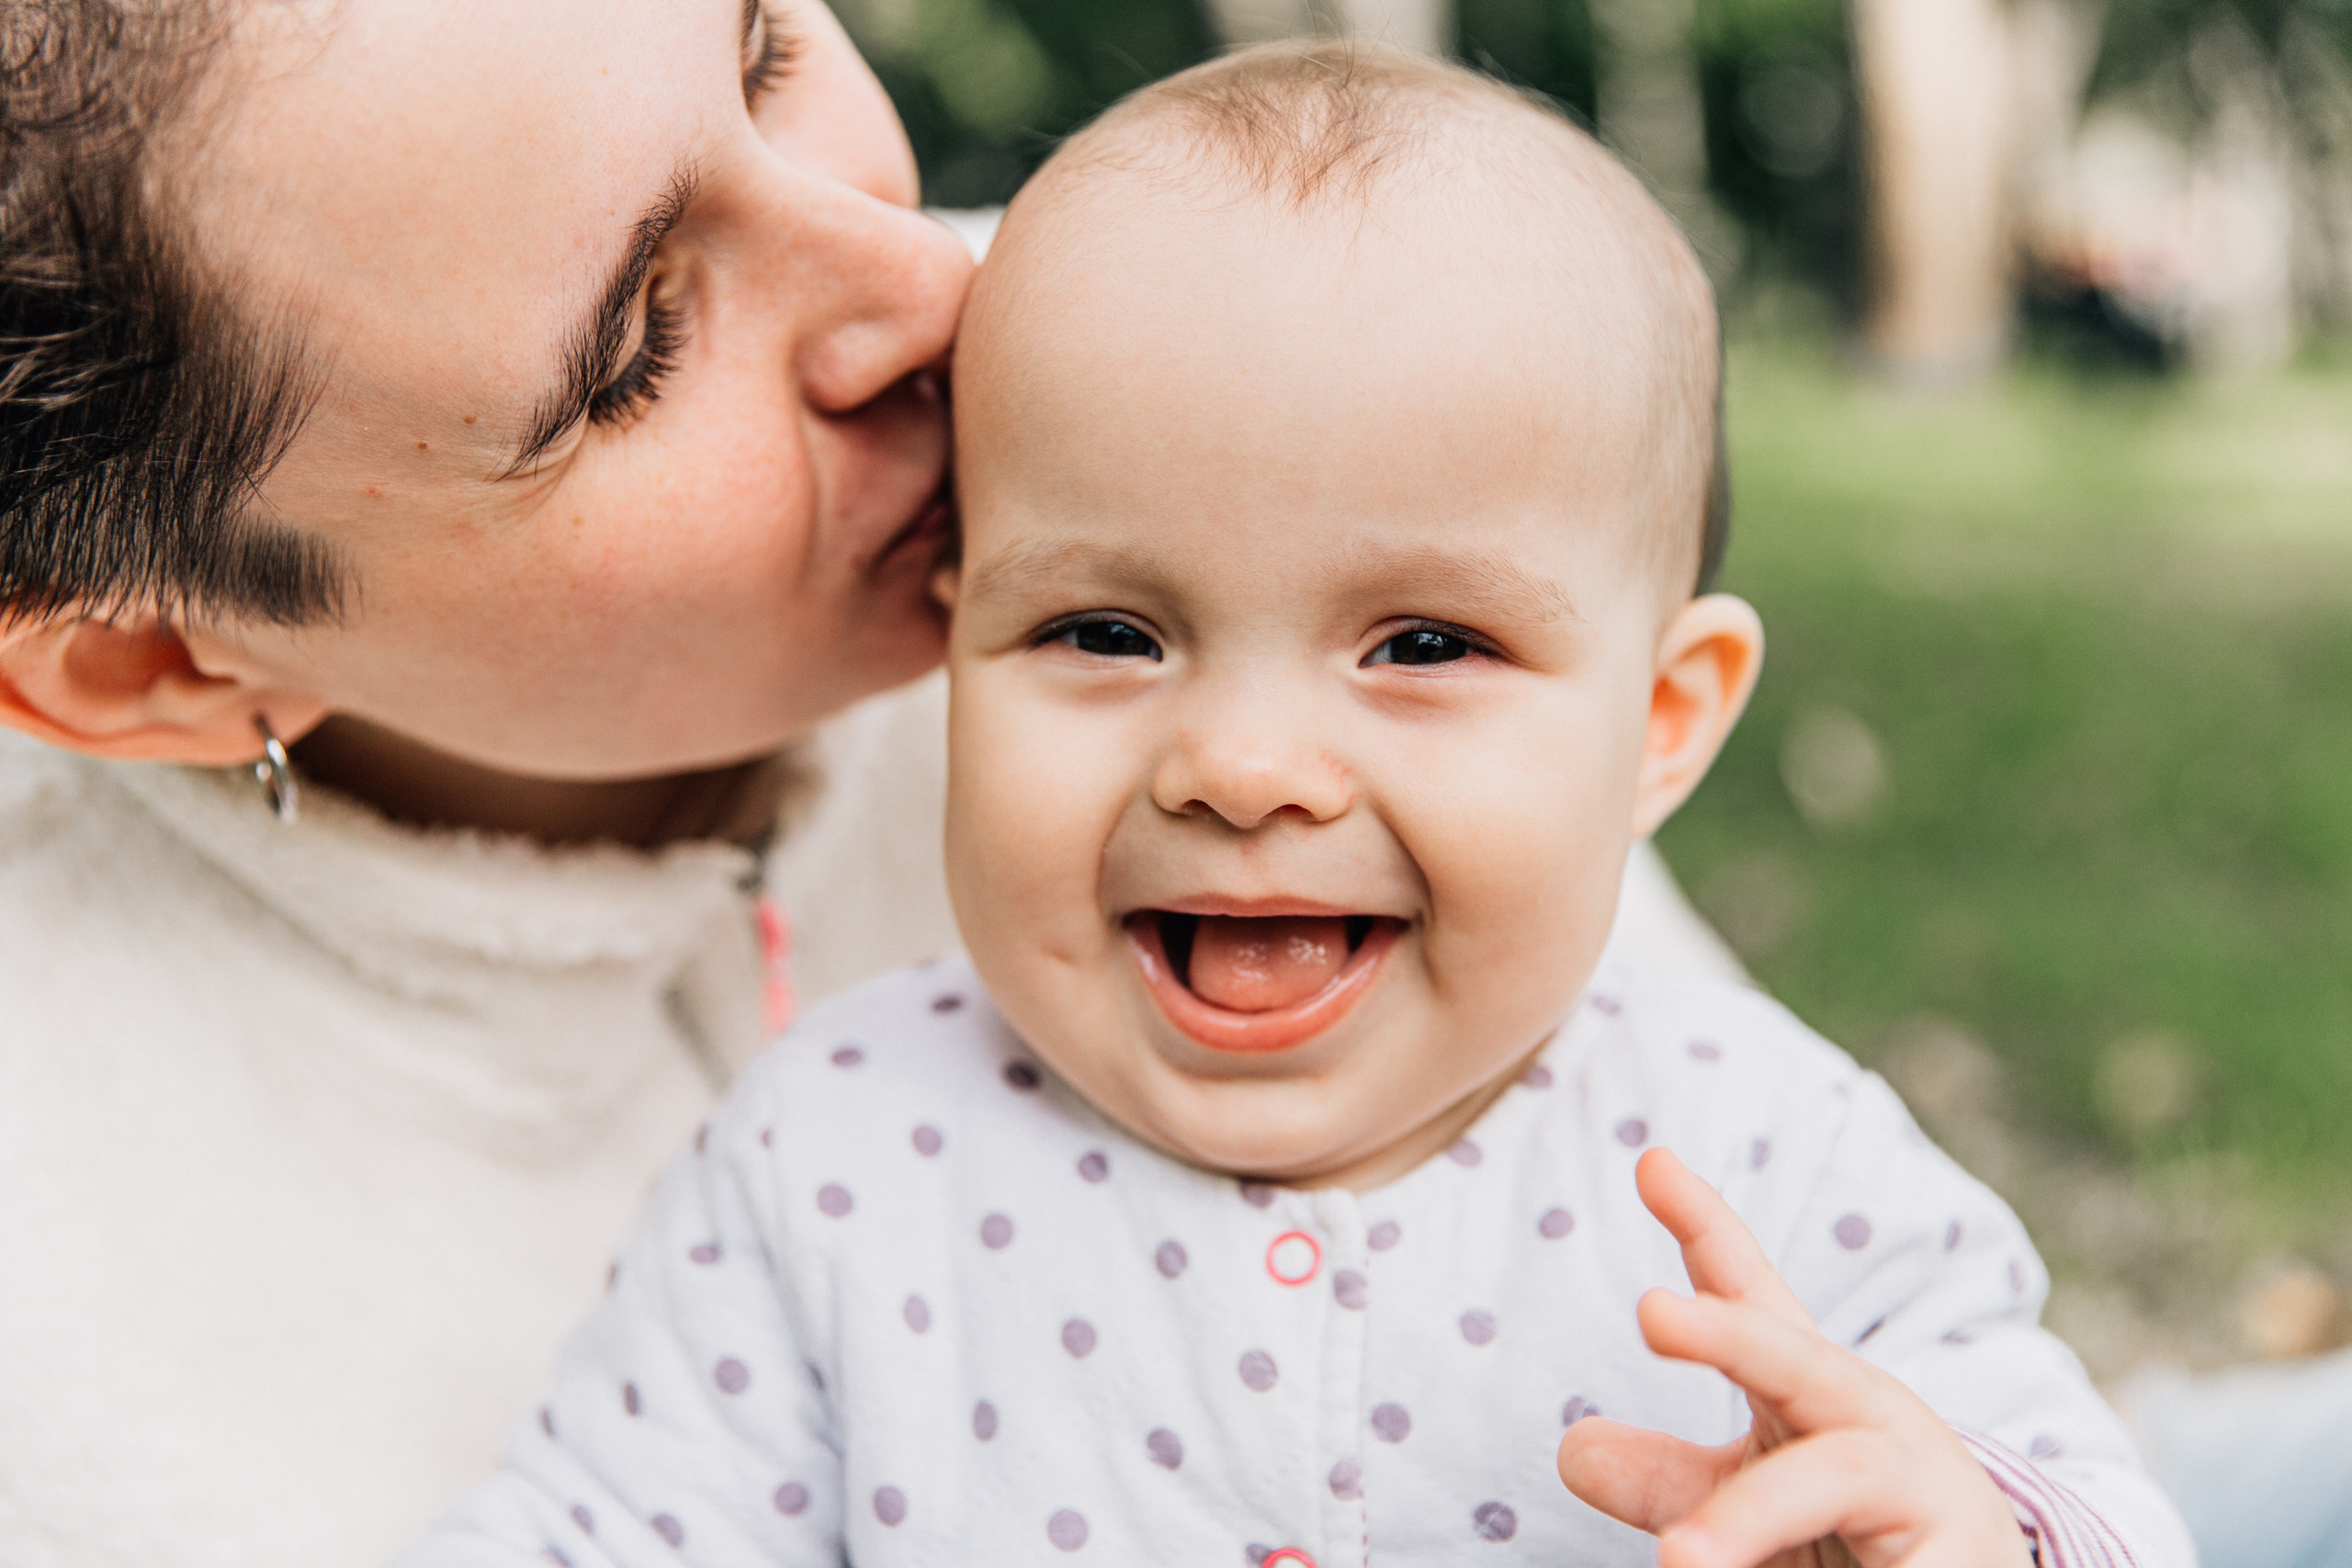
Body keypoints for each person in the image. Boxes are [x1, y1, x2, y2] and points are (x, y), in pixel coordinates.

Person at [401, 46, 2189, 1567]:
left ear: (1657, 721)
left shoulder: (1759, 1161)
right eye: (1105, 629)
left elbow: (2088, 1497)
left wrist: (1967, 1527)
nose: (1240, 766)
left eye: (1419, 642)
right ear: (951, 644)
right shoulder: (833, 1165)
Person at [0, 6, 1731, 1564]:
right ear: (166, 668)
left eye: (764, 51)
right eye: (637, 351)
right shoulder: (80, 1345)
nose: (930, 288)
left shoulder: (1191, 390)